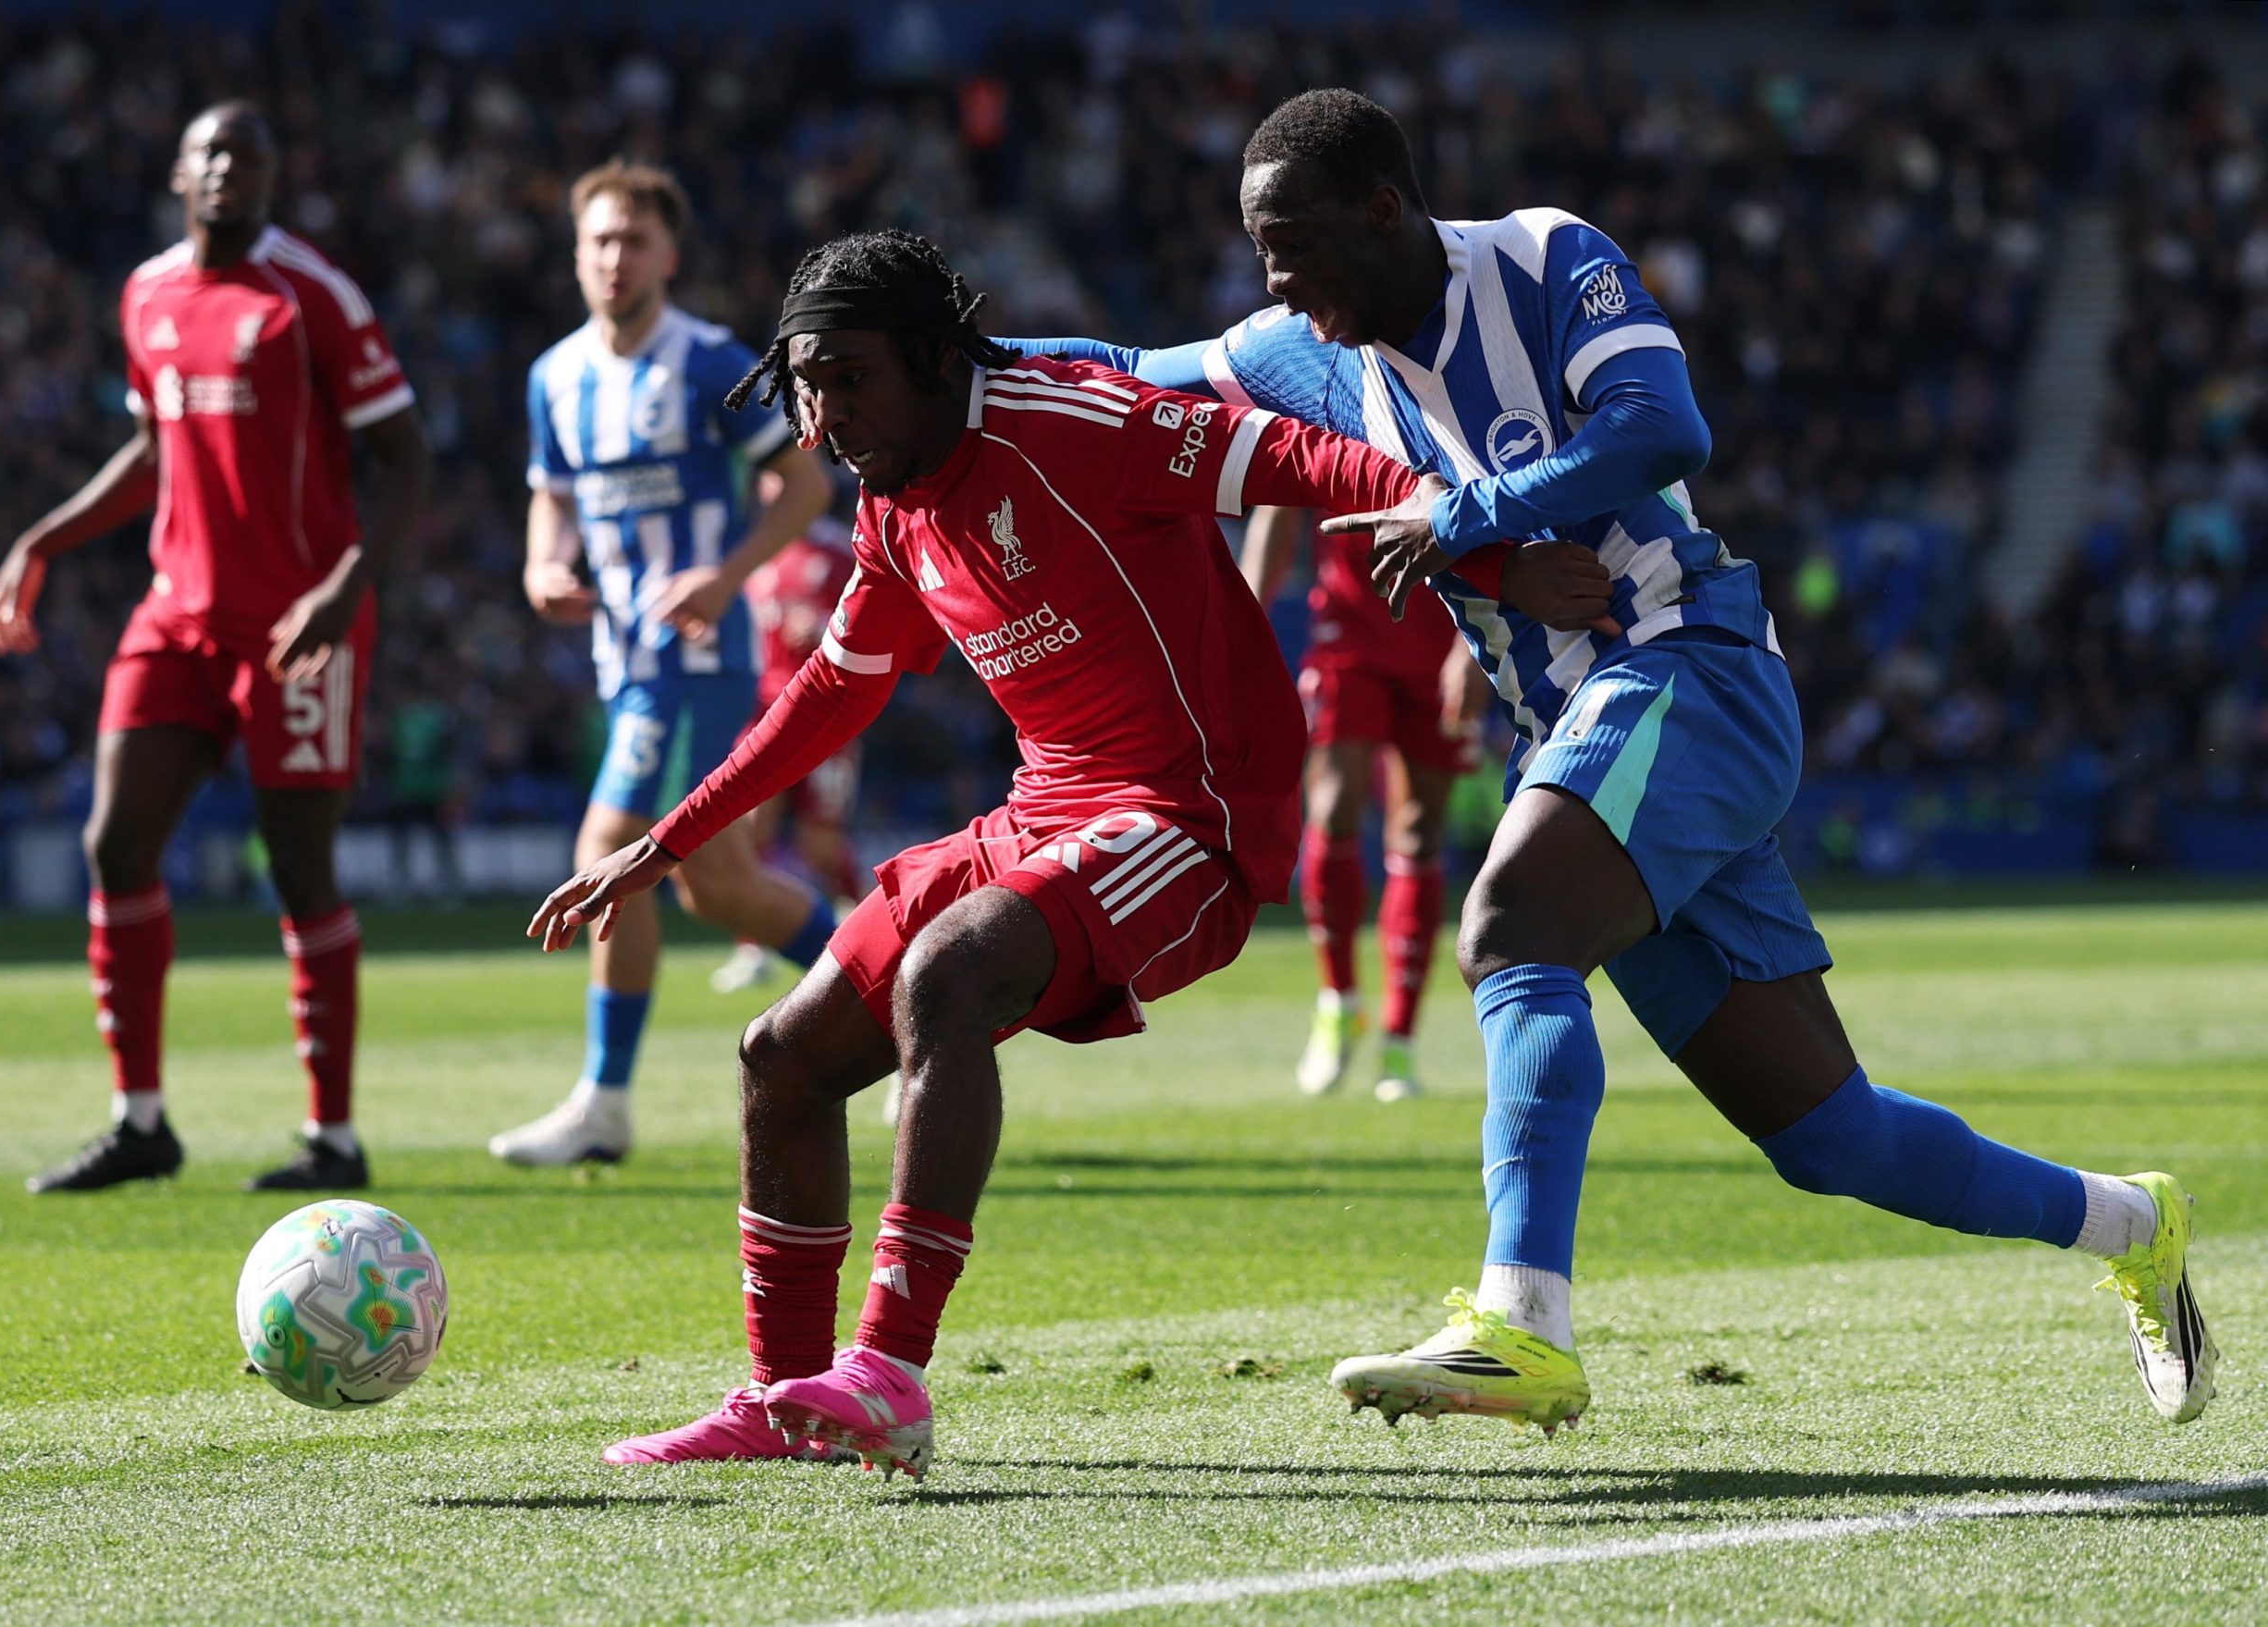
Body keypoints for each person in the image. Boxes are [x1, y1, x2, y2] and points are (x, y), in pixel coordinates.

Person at [1010, 89, 2214, 1429]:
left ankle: (1520, 1320)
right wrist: (956, 350)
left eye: (1290, 243)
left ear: (1383, 209)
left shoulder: (1542, 257)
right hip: (1592, 729)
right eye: (1258, 251)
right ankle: (2129, 1220)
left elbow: (1661, 430)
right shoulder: (1305, 349)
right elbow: (1122, 364)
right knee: (1831, 1137)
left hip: (1690, 669)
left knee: (1514, 918)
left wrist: (1480, 508)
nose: (1275, 279)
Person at [527, 228, 1436, 1478]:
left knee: (947, 974)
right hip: (1047, 805)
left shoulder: (1073, 420)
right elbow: (831, 692)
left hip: (1192, 813)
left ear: (931, 359)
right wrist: (663, 842)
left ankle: (888, 1371)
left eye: (849, 379)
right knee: (780, 1058)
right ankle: (787, 1395)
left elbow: (1287, 450)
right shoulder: (892, 503)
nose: (824, 415)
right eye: (807, 385)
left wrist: (1450, 507)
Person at [0, 103, 432, 1194]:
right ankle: (140, 1121)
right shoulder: (147, 293)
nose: (229, 170)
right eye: (211, 154)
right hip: (176, 614)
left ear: (272, 176)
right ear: (180, 173)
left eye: (249, 155)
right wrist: (43, 538)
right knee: (114, 844)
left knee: (299, 868)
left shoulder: (312, 297)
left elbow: (407, 461)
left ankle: (334, 1136)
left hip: (297, 628)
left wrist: (343, 587)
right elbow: (153, 442)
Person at [490, 162, 837, 1168]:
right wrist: (538, 562)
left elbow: (804, 482)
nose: (613, 258)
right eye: (598, 240)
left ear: (667, 257)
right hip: (622, 658)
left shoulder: (710, 361)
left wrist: (726, 579)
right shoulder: (554, 375)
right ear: (576, 253)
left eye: (633, 241)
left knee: (612, 846)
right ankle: (899, 998)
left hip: (696, 659)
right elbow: (549, 491)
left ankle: (602, 1101)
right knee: (715, 887)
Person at [1239, 503, 1480, 1100]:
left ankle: (1399, 1041)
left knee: (1420, 832)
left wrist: (1475, 641)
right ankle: (1340, 1000)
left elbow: (1496, 511)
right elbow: (1277, 509)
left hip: (1442, 636)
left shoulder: (1450, 412)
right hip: (1349, 631)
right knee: (1334, 805)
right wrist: (1241, 622)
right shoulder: (1326, 407)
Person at [709, 500, 871, 998]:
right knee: (748, 825)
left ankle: (876, 924)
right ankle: (752, 948)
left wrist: (825, 628)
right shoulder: (751, 552)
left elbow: (871, 614)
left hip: (822, 710)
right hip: (761, 713)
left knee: (818, 846)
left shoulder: (837, 550)